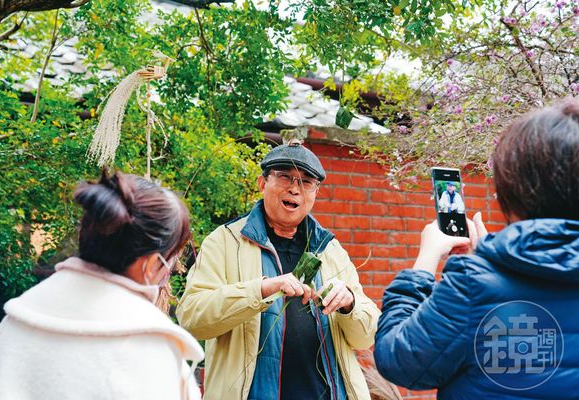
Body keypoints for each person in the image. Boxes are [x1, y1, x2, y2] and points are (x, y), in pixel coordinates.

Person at [374, 98, 579, 399]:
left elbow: (398, 360)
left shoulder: (473, 285)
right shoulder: (479, 278)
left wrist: (427, 260)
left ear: (514, 189)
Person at [177, 139, 385, 400]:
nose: (295, 189)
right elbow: (192, 317)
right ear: (262, 183)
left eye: (306, 182)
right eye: (286, 177)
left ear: (316, 192)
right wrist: (262, 289)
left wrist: (350, 304)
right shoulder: (225, 241)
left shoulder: (330, 249)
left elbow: (366, 337)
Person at [0, 170, 204, 400]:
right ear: (151, 264)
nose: (170, 272)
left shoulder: (15, 321)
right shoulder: (150, 350)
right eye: (172, 261)